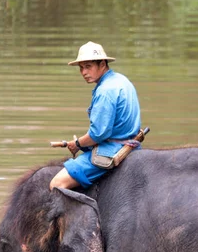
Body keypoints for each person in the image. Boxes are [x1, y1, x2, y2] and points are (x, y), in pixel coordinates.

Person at [49, 41, 141, 191]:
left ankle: (87, 213)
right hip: (130, 143)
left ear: (102, 64)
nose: (84, 72)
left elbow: (98, 134)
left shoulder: (105, 91)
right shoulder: (121, 80)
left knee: (56, 184)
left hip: (112, 149)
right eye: (81, 68)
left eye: (88, 66)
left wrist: (77, 144)